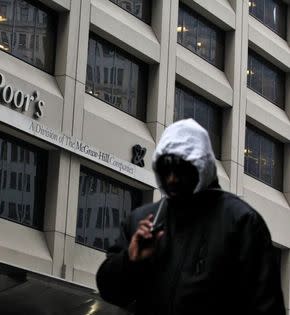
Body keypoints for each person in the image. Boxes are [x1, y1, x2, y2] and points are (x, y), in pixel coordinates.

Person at [96, 119, 285, 315]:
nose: (172, 179)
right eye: (165, 169)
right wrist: (130, 261)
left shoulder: (241, 223)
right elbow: (111, 291)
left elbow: (266, 306)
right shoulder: (142, 221)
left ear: (202, 167)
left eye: (181, 170)